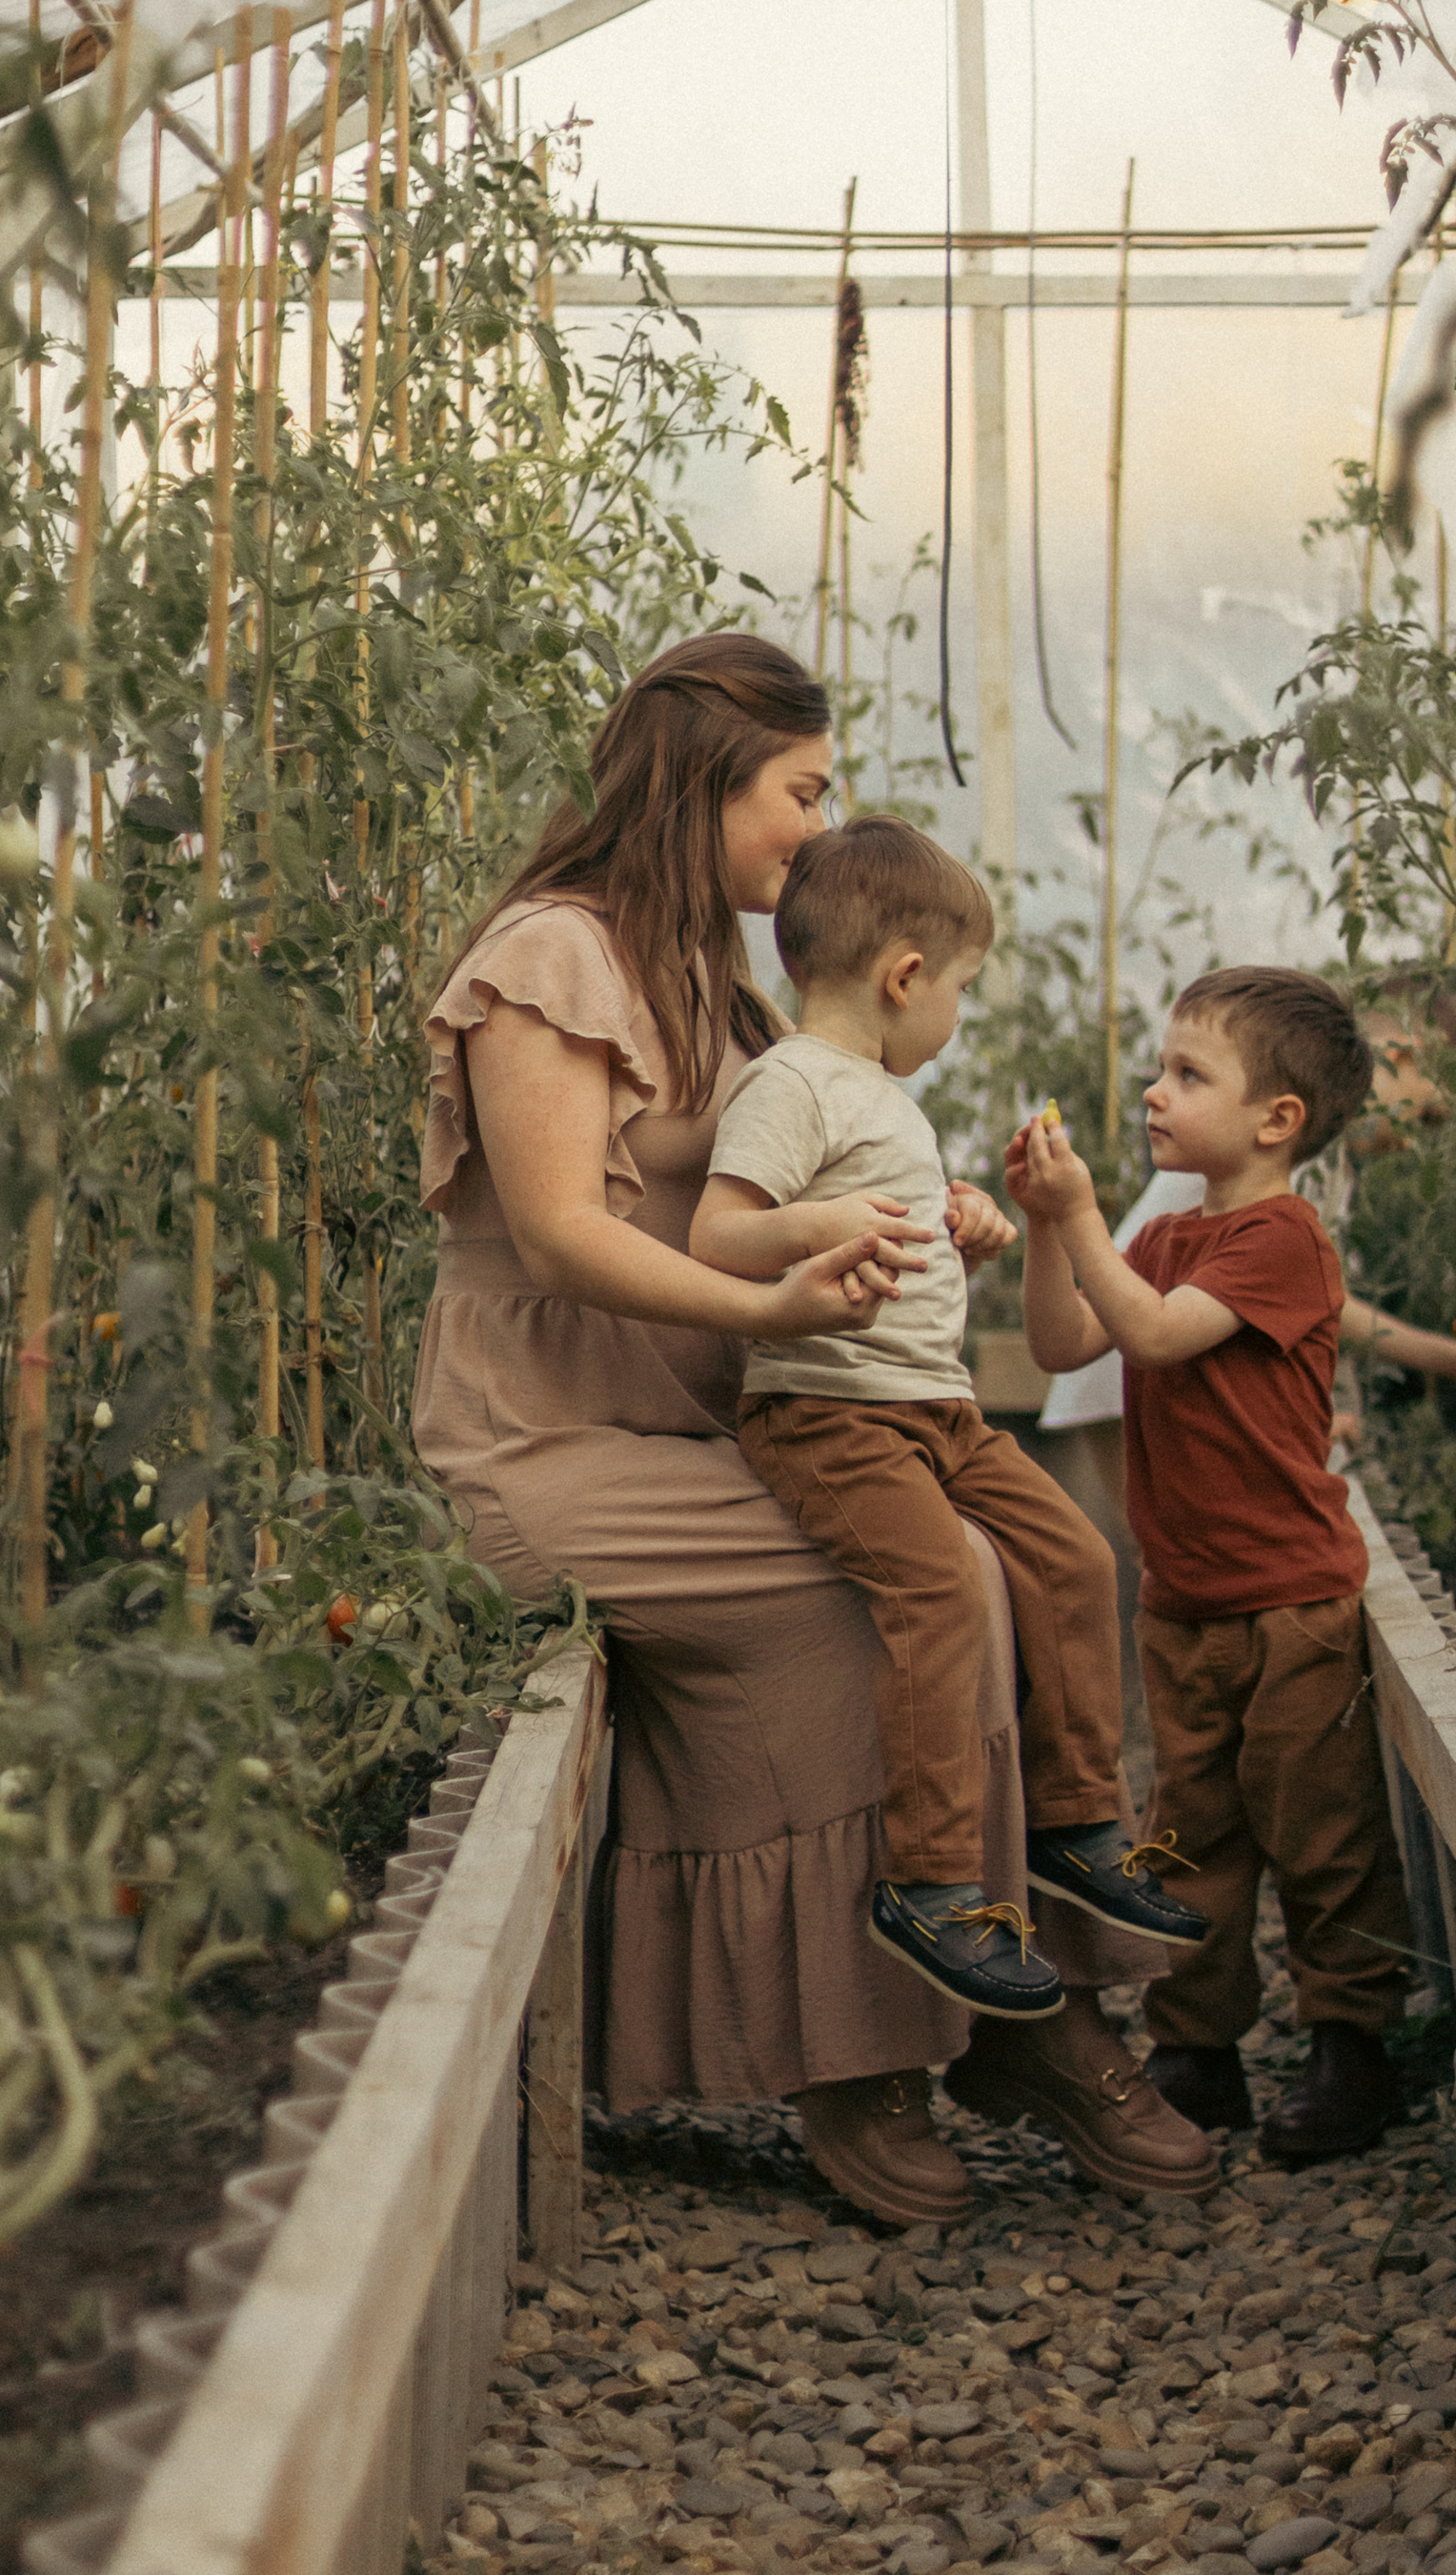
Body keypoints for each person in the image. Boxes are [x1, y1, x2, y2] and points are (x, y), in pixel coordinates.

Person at [411, 632, 1193, 2231]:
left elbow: (818, 1188)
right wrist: (775, 1314)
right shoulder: (553, 956)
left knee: (974, 1560)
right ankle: (894, 2049)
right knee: (928, 1589)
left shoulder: (727, 986)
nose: (815, 827)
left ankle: (999, 1993)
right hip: (547, 1442)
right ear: (702, 790)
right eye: (799, 791)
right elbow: (562, 1233)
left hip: (706, 1432)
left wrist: (940, 1222)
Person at [692, 815, 1213, 2072]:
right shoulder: (792, 1082)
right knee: (940, 1595)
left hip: (935, 1410)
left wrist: (964, 1220)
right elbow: (719, 1236)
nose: (960, 1017)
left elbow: (892, 1217)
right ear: (904, 979)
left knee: (1077, 1560)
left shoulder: (877, 1096)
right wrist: (828, 1224)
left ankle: (1076, 1820)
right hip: (831, 1415)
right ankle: (927, 1886)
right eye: (964, 989)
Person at [1009, 965, 1456, 2166]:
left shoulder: (1283, 1238)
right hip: (1185, 1606)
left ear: (1277, 1120)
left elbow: (1157, 1333)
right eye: (1160, 1067)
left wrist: (1081, 1219)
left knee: (1322, 1834)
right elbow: (1063, 1337)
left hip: (1292, 1605)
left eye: (1188, 1075)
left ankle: (1352, 2042)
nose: (1153, 1090)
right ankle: (1196, 2048)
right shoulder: (1169, 1228)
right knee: (1190, 1835)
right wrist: (1042, 1227)